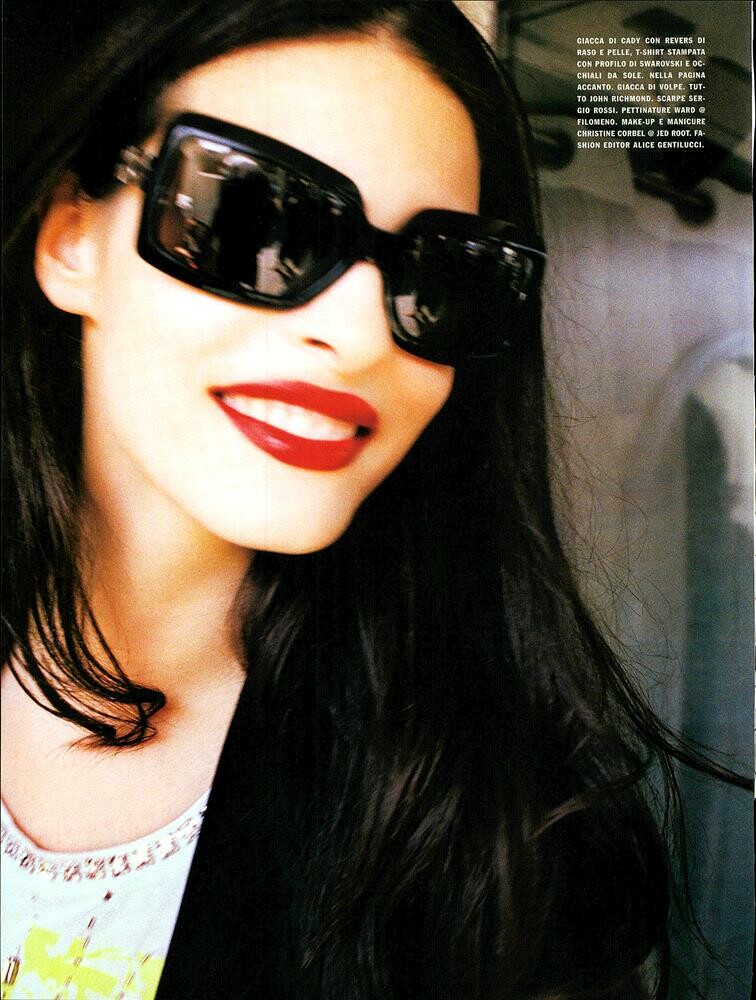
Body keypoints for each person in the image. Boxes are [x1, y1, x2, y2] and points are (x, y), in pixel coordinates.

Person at [1, 3, 747, 999]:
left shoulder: (496, 848)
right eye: (254, 218)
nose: (359, 335)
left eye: (442, 276)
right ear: (70, 237)